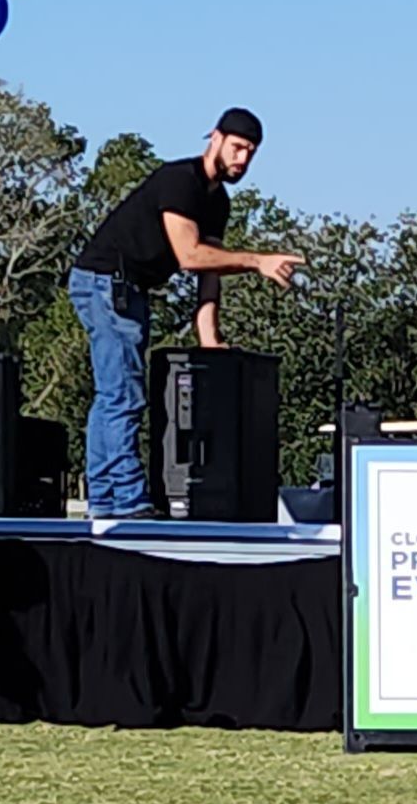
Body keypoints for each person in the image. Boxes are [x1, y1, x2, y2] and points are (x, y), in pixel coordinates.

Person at [66, 109, 302, 519]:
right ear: (215, 137)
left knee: (115, 393)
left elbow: (210, 273)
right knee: (122, 393)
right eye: (238, 147)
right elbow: (191, 256)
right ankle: (124, 500)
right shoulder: (180, 181)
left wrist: (209, 338)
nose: (243, 159)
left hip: (128, 289)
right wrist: (256, 261)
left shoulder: (218, 202)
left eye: (251, 152)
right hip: (105, 281)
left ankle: (104, 501)